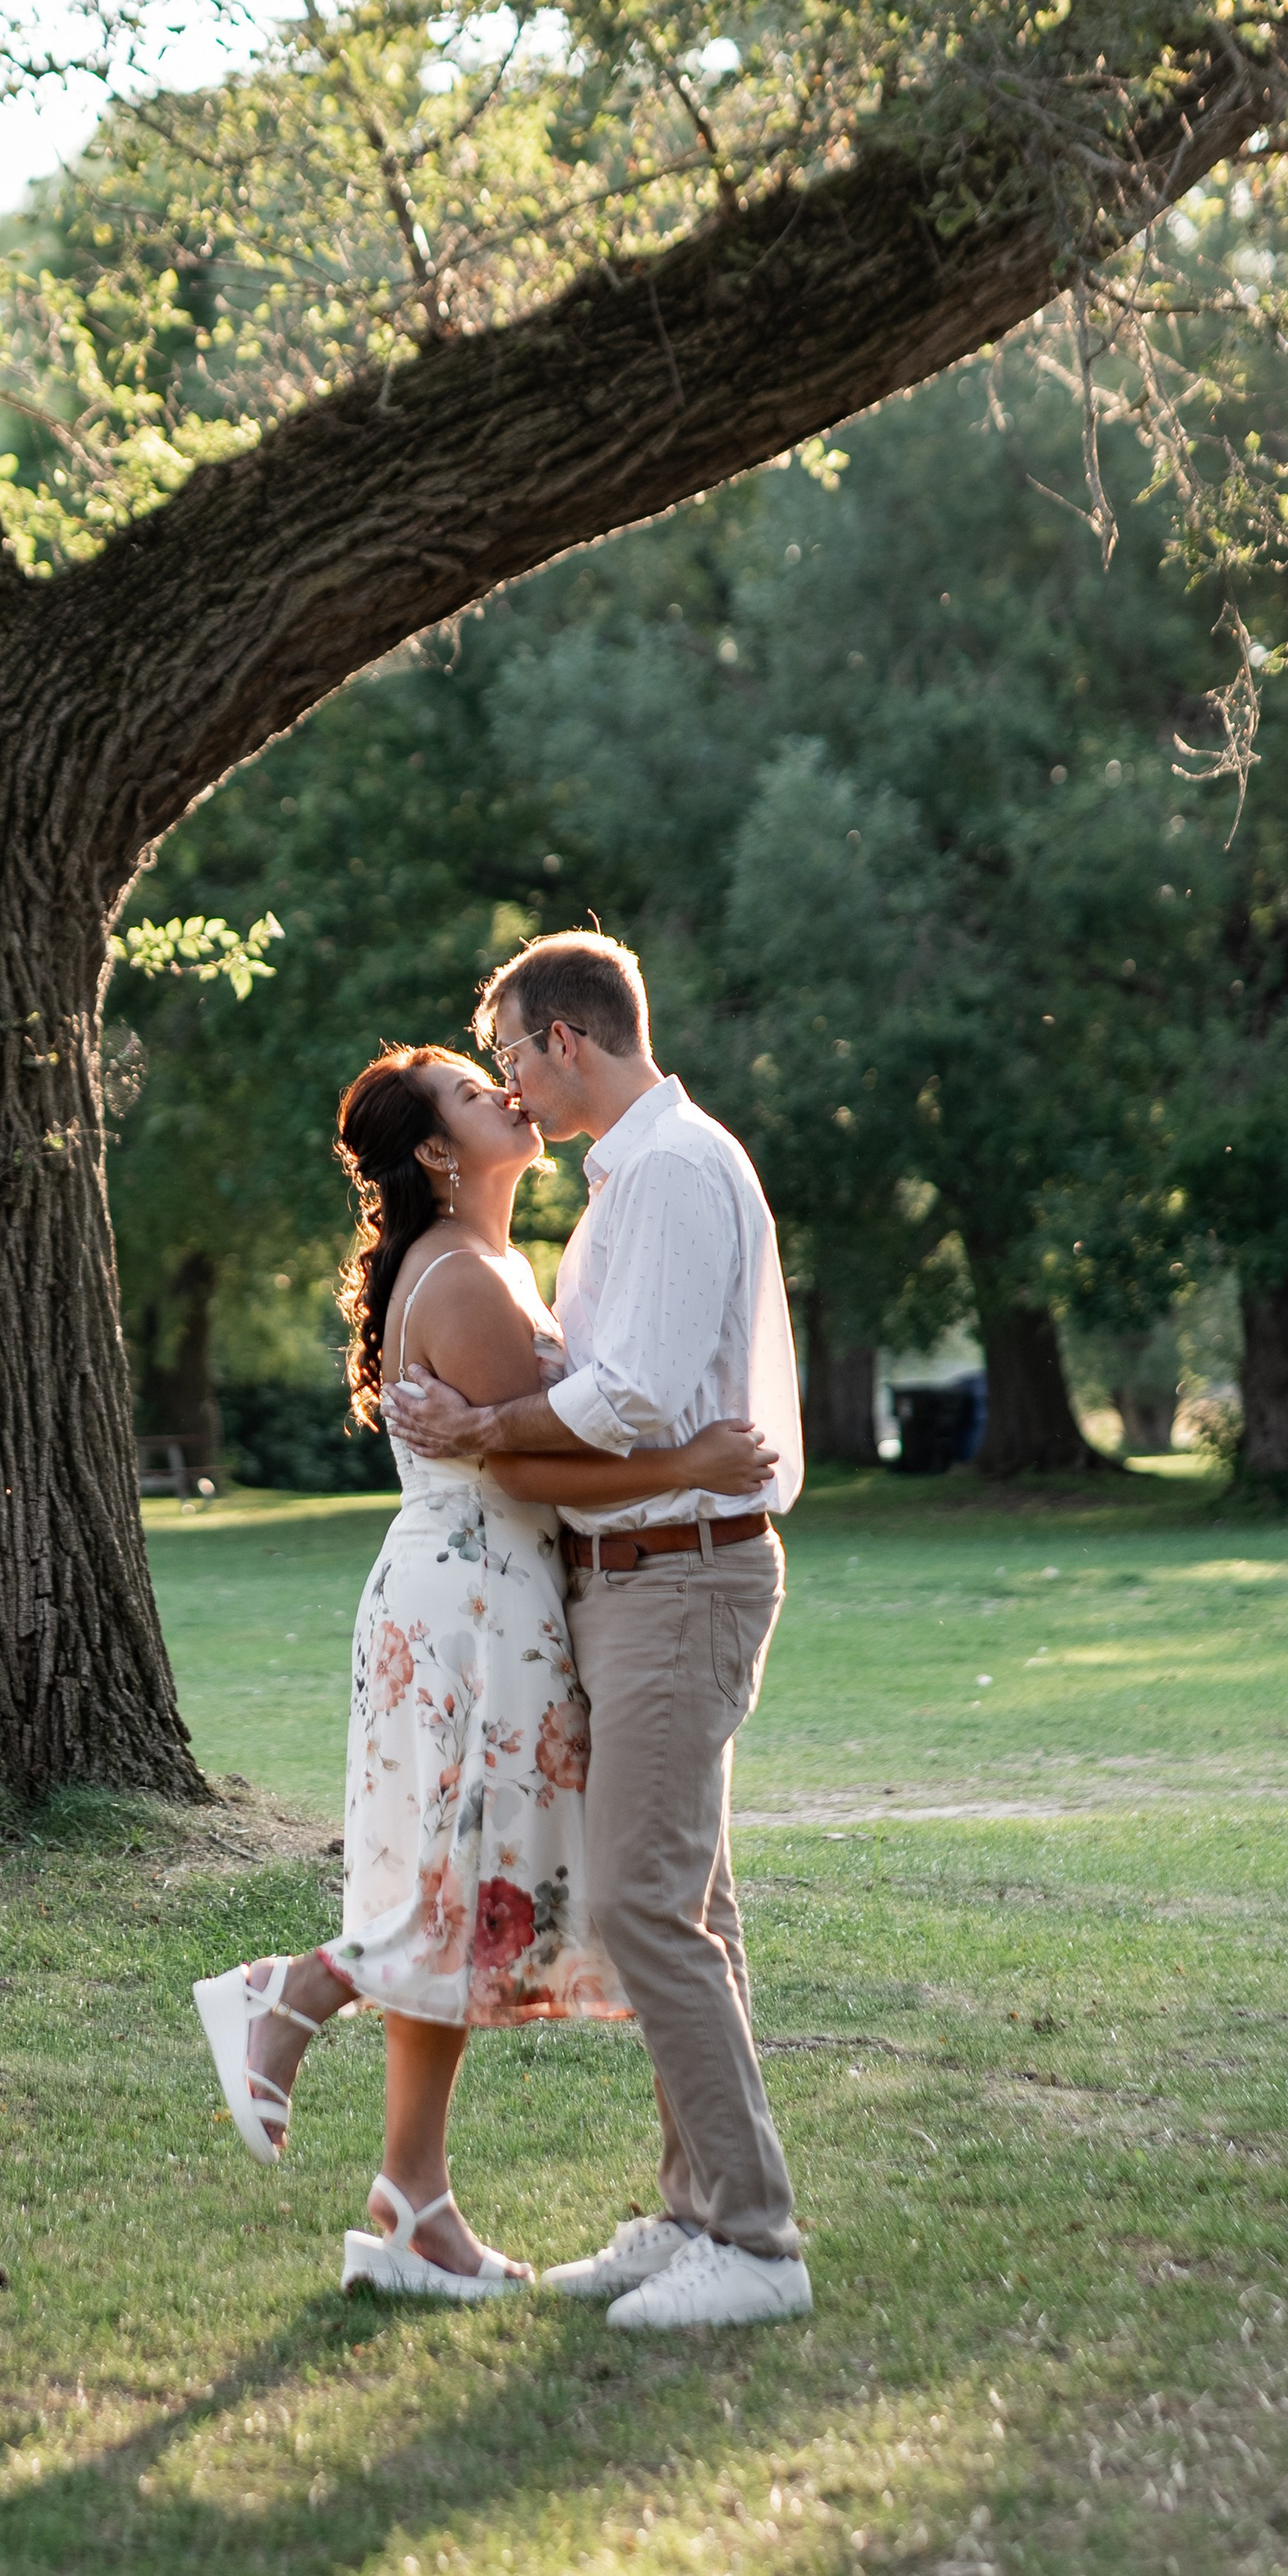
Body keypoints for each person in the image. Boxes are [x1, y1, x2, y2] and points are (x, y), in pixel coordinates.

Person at [192, 1043, 777, 2302]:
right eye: (472, 1089)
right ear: (438, 1155)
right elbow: (522, 1468)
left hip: (486, 1587)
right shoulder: (461, 1276)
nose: (503, 1093)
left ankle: (414, 2208)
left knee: (458, 1859)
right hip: (475, 1594)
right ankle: (293, 1992)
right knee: (474, 1866)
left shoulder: (493, 1264)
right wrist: (700, 1476)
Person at [390, 934, 812, 2334]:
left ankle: (754, 2243)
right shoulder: (631, 1179)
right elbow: (628, 1398)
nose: (508, 1078)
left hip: (680, 1577)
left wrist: (482, 1426)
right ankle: (697, 2211)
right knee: (693, 1905)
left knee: (643, 1906)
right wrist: (510, 1431)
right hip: (635, 1573)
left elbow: (627, 1404)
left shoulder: (677, 1171)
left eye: (509, 1050)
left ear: (564, 1041)